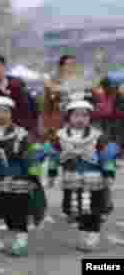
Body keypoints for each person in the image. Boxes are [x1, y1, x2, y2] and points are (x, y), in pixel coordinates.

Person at [47, 92, 119, 252]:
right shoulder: (60, 136)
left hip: (94, 181)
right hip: (70, 180)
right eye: (76, 115)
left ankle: (93, 235)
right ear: (68, 117)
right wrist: (51, 174)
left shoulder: (97, 137)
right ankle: (83, 232)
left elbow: (107, 157)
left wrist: (108, 174)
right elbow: (52, 156)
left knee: (94, 208)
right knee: (72, 208)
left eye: (85, 115)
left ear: (90, 118)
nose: (80, 119)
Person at [0, 92, 47, 256]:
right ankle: (15, 234)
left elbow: (35, 153)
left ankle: (22, 239)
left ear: (11, 113)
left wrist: (34, 175)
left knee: (19, 209)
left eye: (5, 111)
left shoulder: (22, 133)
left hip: (19, 178)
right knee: (5, 209)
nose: (1, 115)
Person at [0, 55, 38, 138]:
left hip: (15, 127)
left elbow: (26, 110)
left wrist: (25, 128)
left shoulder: (16, 85)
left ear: (4, 67)